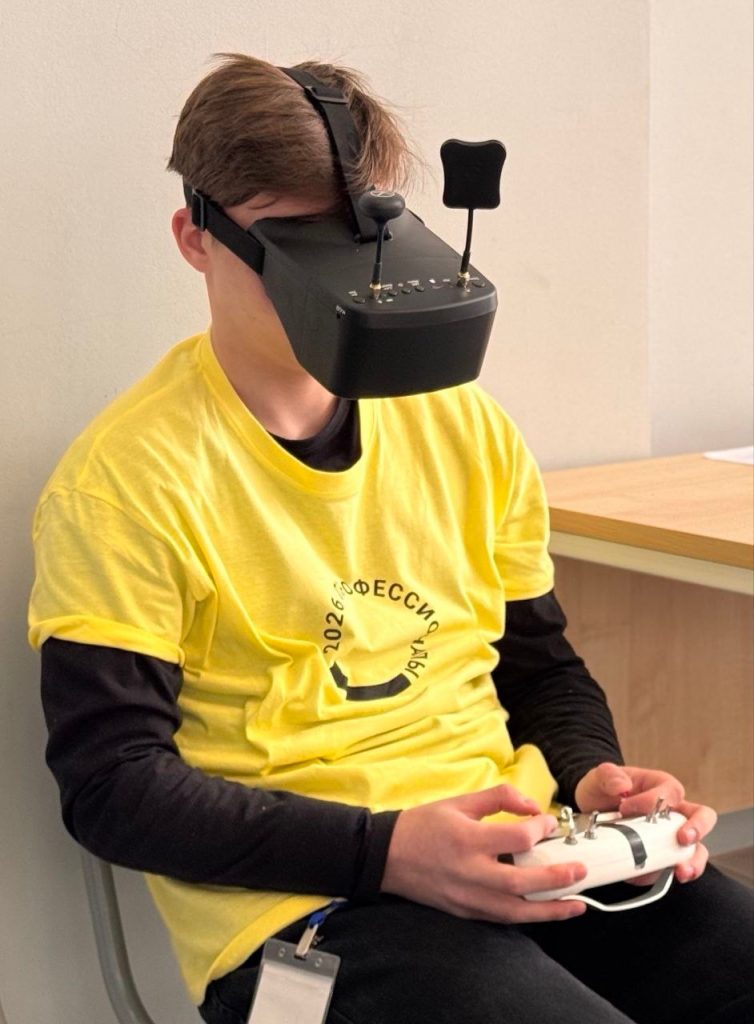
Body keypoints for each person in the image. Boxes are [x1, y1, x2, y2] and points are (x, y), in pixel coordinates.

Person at [28, 54, 753, 1024]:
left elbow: (539, 668)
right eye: (295, 245)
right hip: (304, 916)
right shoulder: (126, 480)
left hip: (520, 845)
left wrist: (594, 775)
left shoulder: (463, 423)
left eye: (355, 239)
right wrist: (389, 850)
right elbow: (112, 789)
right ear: (195, 239)